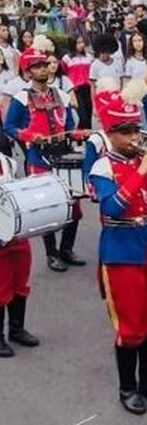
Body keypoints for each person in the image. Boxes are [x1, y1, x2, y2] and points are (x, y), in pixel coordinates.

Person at [89, 84, 147, 415]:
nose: (133, 137)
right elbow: (112, 207)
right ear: (109, 133)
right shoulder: (102, 166)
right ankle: (127, 386)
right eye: (125, 132)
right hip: (120, 248)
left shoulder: (144, 159)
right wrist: (142, 171)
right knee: (129, 324)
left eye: (135, 129)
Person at [5, 47, 86, 272]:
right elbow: (9, 126)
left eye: (45, 65)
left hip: (63, 155)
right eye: (38, 66)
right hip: (38, 158)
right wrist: (30, 136)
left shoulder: (60, 93)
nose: (44, 69)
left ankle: (67, 248)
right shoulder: (21, 97)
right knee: (49, 207)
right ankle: (52, 253)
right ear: (28, 71)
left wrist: (75, 133)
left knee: (74, 206)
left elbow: (69, 123)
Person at [0, 151, 38, 357]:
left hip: (15, 232)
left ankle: (17, 329)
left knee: (20, 281)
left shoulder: (7, 162)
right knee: (0, 286)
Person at [122, 31, 147, 131]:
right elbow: (127, 80)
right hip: (136, 95)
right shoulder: (130, 61)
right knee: (141, 122)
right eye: (135, 41)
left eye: (140, 40)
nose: (138, 43)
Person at [61, 36, 93, 129]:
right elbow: (64, 72)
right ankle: (82, 133)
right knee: (82, 115)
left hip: (88, 88)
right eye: (78, 43)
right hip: (75, 89)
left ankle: (86, 135)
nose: (81, 45)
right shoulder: (67, 59)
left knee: (88, 113)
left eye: (82, 42)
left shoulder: (88, 57)